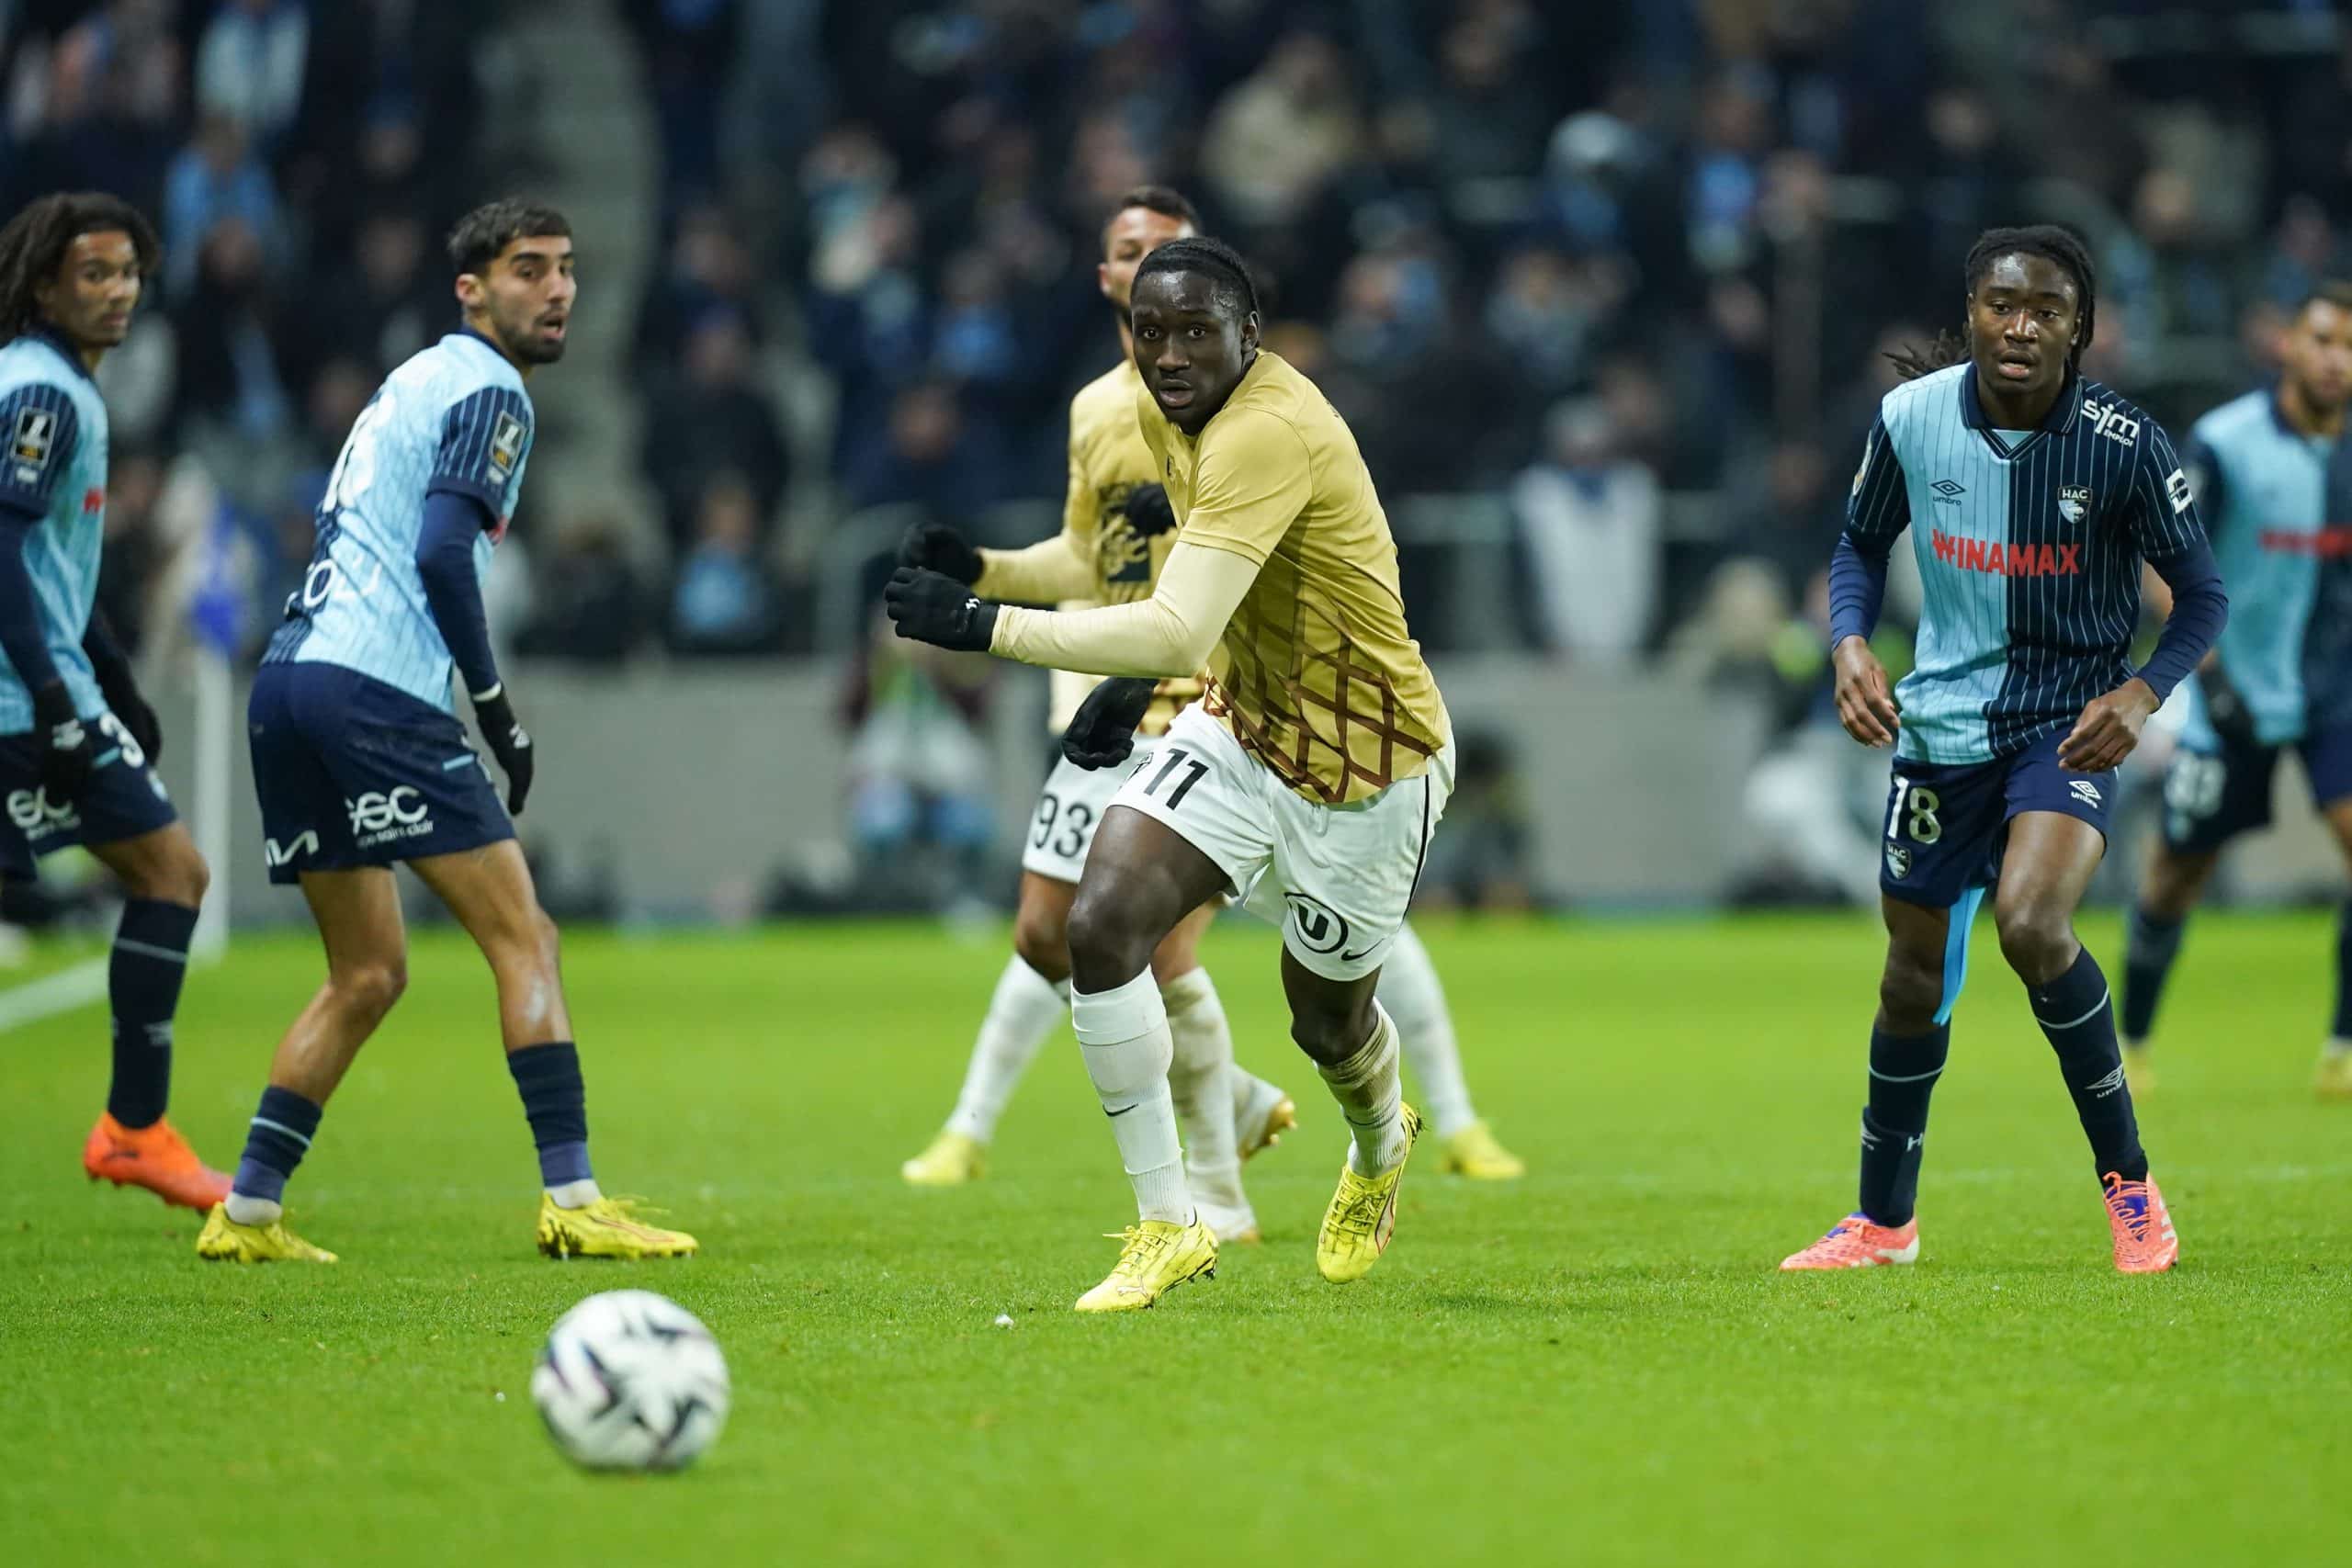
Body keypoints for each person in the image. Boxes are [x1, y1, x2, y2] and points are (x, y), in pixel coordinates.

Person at [888, 236, 1455, 1310]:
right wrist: (1115, 677)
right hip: (1240, 732)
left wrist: (982, 622)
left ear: (1251, 333)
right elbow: (1199, 598)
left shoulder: (1267, 431)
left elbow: (1178, 620)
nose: (1171, 352)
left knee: (1324, 1021)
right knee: (1093, 926)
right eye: (1152, 332)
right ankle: (1167, 1223)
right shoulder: (1161, 412)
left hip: (1365, 764)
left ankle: (1382, 1139)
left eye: (1197, 330)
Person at [198, 199, 696, 1264]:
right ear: (470, 289)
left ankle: (244, 1211)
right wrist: (495, 706)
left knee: (367, 972)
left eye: (565, 270)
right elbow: (437, 550)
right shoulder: (488, 386)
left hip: (288, 685)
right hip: (378, 690)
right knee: (528, 940)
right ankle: (572, 1198)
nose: (557, 290)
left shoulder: (409, 382)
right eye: (528, 271)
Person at [1781, 226, 2225, 1276]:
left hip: (2064, 724)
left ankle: (2130, 1189)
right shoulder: (1910, 420)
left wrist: (2143, 689)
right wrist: (1846, 645)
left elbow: (2201, 596)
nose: (2019, 327)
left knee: (2031, 923)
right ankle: (1883, 1224)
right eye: (2001, 304)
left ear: (2080, 332)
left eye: (2045, 312)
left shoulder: (2122, 445)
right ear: (1972, 311)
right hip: (1939, 728)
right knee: (1909, 977)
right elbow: (1855, 543)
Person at [0, 191, 224, 1212]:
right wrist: (55, 699)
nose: (117, 290)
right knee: (170, 873)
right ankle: (134, 1129)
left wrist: (115, 686)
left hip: (49, 696)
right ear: (46, 284)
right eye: (94, 273)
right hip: (18, 708)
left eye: (128, 271)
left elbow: (54, 573)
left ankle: (135, 1130)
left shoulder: (59, 389)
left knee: (171, 870)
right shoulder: (42, 395)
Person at [2117, 284, 2352, 1098]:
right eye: (2323, 339)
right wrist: (2204, 672)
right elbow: (2161, 565)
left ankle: (2342, 1049)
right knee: (2177, 873)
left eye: (2350, 346)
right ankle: (2132, 1043)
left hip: (2333, 689)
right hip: (2234, 690)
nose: (2337, 360)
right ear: (2285, 342)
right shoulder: (2224, 443)